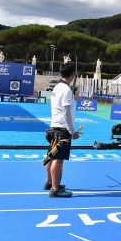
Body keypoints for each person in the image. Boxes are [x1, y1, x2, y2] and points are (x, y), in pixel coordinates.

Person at [43, 62, 79, 198]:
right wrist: (72, 131)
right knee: (58, 159)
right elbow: (67, 113)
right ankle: (55, 188)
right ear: (72, 75)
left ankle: (49, 182)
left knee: (51, 156)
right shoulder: (66, 90)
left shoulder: (57, 87)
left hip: (53, 127)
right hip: (62, 129)